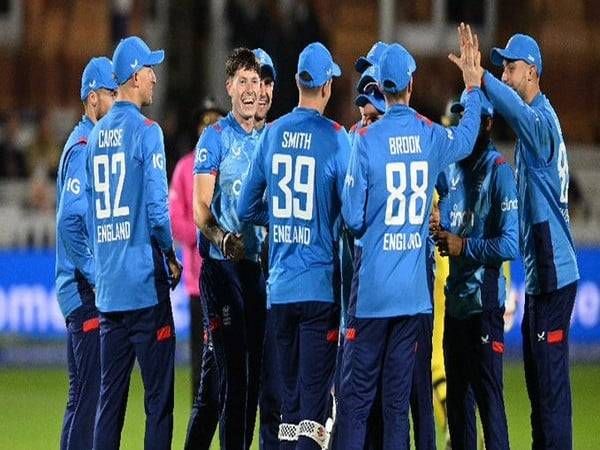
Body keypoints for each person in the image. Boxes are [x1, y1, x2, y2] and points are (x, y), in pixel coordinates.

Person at [337, 25, 484, 449]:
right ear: (410, 84)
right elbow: (466, 138)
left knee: (355, 402)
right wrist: (471, 88)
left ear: (380, 87)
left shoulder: (364, 140)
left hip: (373, 295)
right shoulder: (429, 135)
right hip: (413, 295)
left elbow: (352, 217)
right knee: (397, 405)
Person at [470, 30, 581, 450]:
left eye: (510, 67)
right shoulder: (533, 128)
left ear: (532, 73)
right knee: (539, 392)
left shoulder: (539, 120)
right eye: (501, 68)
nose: (505, 74)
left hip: (554, 275)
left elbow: (514, 111)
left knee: (550, 397)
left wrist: (480, 77)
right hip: (542, 276)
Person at [238, 41, 348, 450]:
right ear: (327, 86)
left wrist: (283, 219)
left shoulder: (273, 134)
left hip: (279, 293)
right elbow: (353, 216)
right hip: (319, 291)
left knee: (284, 413)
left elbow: (245, 206)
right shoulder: (338, 139)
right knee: (312, 416)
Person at [87, 36, 182, 450]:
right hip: (144, 285)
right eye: (149, 69)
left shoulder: (93, 138)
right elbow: (159, 214)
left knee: (110, 402)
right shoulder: (148, 132)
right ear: (132, 76)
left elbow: (90, 216)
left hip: (109, 291)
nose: (155, 77)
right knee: (158, 401)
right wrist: (171, 256)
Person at [434, 89, 519, 450]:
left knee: (489, 403)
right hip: (455, 308)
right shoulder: (449, 171)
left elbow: (510, 245)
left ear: (487, 122)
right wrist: (434, 222)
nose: (462, 126)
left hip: (484, 308)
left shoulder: (499, 172)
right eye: (459, 118)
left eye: (471, 118)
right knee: (458, 407)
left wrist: (461, 245)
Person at [190, 47, 266, 449]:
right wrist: (222, 237)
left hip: (258, 273)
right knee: (233, 375)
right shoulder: (215, 137)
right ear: (230, 88)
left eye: (255, 81)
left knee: (247, 379)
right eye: (243, 82)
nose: (251, 90)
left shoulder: (271, 138)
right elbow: (200, 206)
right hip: (221, 269)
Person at [55, 56, 117, 450]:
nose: (117, 101)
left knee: (82, 395)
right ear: (92, 98)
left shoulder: (87, 143)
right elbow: (70, 221)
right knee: (91, 396)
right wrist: (97, 275)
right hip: (85, 291)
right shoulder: (83, 148)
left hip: (78, 289)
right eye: (112, 94)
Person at [173, 104, 225, 450]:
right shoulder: (185, 168)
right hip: (197, 285)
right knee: (202, 374)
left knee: (230, 369)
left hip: (227, 282)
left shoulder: (228, 162)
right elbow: (175, 220)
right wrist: (206, 228)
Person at [250, 47, 283, 450]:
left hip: (278, 284)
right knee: (224, 395)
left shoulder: (280, 139)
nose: (261, 90)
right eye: (254, 80)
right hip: (235, 279)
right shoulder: (222, 139)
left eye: (268, 81)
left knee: (278, 398)